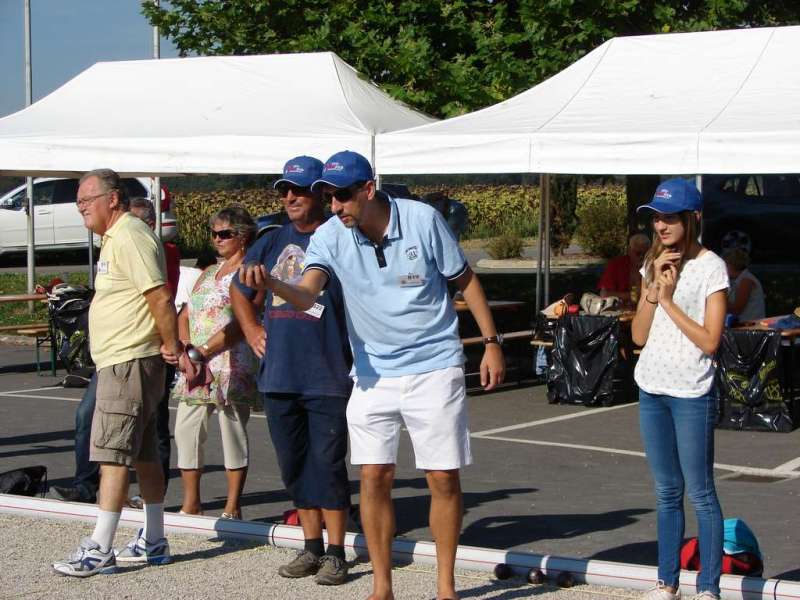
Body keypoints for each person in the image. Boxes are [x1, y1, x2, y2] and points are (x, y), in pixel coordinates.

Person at [239, 150, 505, 600]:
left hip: (434, 366)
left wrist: (492, 344)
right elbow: (307, 295)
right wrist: (274, 286)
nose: (335, 205)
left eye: (342, 196)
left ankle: (445, 588)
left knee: (442, 478)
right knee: (373, 477)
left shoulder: (421, 219)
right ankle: (383, 587)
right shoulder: (330, 234)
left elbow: (465, 281)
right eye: (328, 196)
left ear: (368, 189)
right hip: (371, 373)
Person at [53, 169, 182, 577]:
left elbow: (159, 294)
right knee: (143, 453)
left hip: (129, 359)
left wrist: (172, 344)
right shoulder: (117, 238)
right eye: (78, 201)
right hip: (124, 359)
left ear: (113, 199)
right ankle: (154, 538)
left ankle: (100, 546)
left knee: (111, 453)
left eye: (86, 199)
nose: (80, 208)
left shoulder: (129, 235)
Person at [231, 156, 353, 586]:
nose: (289, 198)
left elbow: (332, 299)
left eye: (298, 190)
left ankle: (337, 552)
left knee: (328, 464)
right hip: (280, 372)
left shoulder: (340, 236)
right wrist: (250, 328)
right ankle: (311, 546)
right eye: (284, 190)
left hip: (327, 369)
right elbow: (239, 286)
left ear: (321, 192)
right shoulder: (271, 240)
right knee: (295, 465)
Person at [631, 179, 728, 600]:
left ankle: (708, 587)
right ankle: (666, 582)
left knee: (701, 492)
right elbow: (637, 336)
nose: (661, 225)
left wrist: (669, 301)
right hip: (651, 387)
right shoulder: (651, 261)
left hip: (691, 391)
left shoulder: (712, 267)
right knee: (666, 491)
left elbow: (711, 341)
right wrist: (652, 292)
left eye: (670, 217)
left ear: (693, 218)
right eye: (656, 217)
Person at [172, 206, 260, 520]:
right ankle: (191, 502)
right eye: (214, 233)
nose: (217, 239)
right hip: (196, 364)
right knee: (186, 430)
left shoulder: (250, 272)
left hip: (230, 362)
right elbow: (185, 314)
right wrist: (184, 349)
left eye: (225, 233)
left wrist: (204, 350)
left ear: (243, 236)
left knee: (232, 432)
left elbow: (243, 321)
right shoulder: (208, 272)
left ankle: (232, 506)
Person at [598, 233, 651, 303]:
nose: (642, 257)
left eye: (645, 254)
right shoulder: (616, 265)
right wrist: (633, 296)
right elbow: (604, 294)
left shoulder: (653, 265)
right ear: (629, 251)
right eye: (638, 253)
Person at [722, 248, 765, 322]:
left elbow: (737, 309)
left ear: (731, 265)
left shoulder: (746, 280)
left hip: (751, 328)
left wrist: (715, 301)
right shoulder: (738, 280)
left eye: (724, 265)